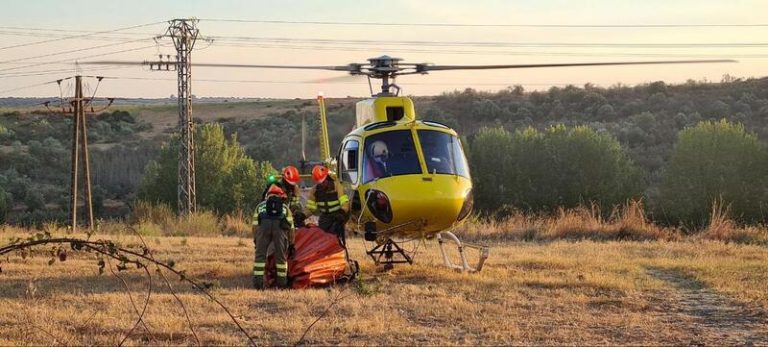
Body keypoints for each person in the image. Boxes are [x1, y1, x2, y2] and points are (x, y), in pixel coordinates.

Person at [252, 185, 294, 289]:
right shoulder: (285, 208)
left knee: (260, 257)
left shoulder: (260, 206)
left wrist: (256, 240)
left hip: (263, 229)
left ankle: (258, 284)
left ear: (268, 195)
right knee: (281, 258)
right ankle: (282, 284)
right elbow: (291, 228)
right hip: (280, 231)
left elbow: (254, 226)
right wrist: (291, 243)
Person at [306, 165, 350, 245]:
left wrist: (342, 212)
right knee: (322, 238)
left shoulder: (337, 185)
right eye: (319, 183)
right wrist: (302, 215)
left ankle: (337, 252)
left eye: (323, 182)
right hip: (325, 217)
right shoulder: (314, 190)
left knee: (335, 237)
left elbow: (345, 203)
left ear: (327, 178)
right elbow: (310, 208)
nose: (322, 184)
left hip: (338, 215)